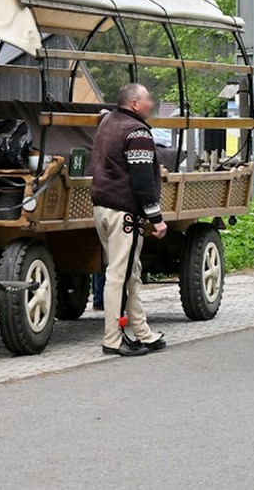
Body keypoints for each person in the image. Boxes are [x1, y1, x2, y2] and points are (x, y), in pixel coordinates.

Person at [91, 83, 168, 357]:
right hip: (124, 211)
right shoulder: (137, 133)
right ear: (134, 104)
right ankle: (113, 338)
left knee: (128, 273)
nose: (151, 102)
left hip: (102, 207)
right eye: (148, 98)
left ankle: (143, 331)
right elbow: (142, 181)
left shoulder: (108, 122)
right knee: (119, 276)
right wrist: (156, 217)